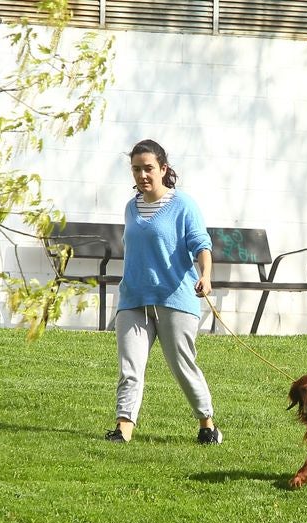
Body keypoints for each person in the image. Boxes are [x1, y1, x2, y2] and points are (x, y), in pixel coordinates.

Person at [105, 139, 223, 445]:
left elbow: (202, 244)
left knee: (183, 366)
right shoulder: (131, 208)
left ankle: (207, 425)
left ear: (163, 169)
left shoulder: (183, 205)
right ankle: (123, 428)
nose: (142, 175)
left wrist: (206, 276)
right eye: (136, 169)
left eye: (148, 168)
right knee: (130, 368)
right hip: (133, 299)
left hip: (175, 298)